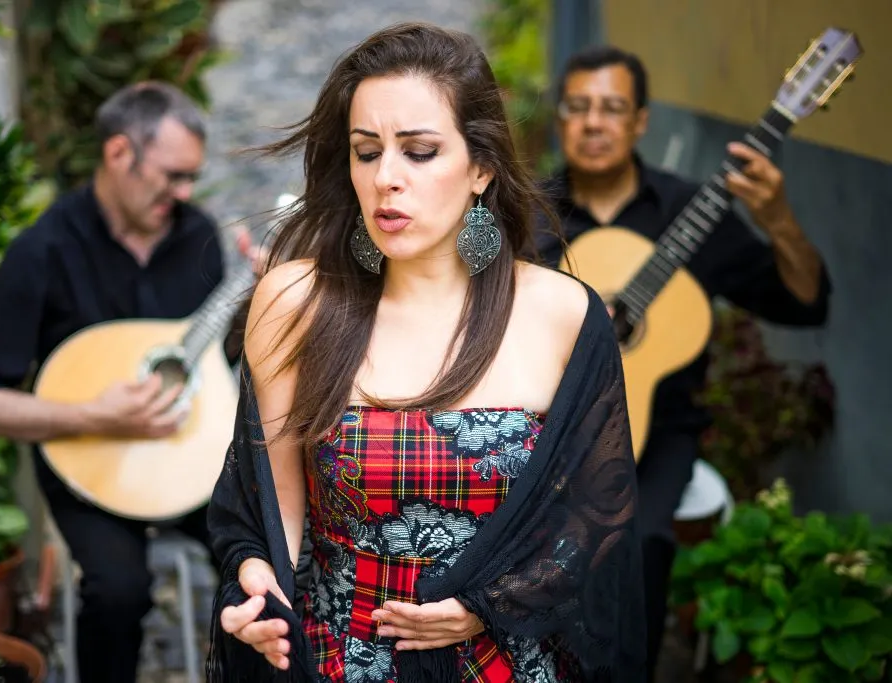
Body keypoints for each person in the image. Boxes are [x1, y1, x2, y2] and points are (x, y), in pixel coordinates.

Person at [205, 22, 646, 683]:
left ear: (481, 167)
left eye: (419, 152)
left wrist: (487, 604)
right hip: (338, 662)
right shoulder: (294, 302)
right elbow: (273, 514)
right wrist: (257, 588)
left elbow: (595, 521)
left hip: (508, 664)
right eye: (365, 151)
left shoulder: (561, 314)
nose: (386, 178)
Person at [535, 46, 831, 681]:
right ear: (560, 118)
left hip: (656, 432)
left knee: (638, 549)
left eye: (612, 108)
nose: (594, 122)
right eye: (578, 106)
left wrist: (777, 220)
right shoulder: (526, 213)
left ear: (641, 121)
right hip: (542, 426)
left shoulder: (693, 212)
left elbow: (806, 304)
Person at [0, 82, 255, 683]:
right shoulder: (41, 253)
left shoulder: (195, 236)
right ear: (119, 154)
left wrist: (259, 305)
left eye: (193, 177)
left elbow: (211, 362)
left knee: (261, 563)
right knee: (118, 592)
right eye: (173, 175)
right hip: (90, 466)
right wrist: (94, 416)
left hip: (185, 460)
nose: (186, 193)